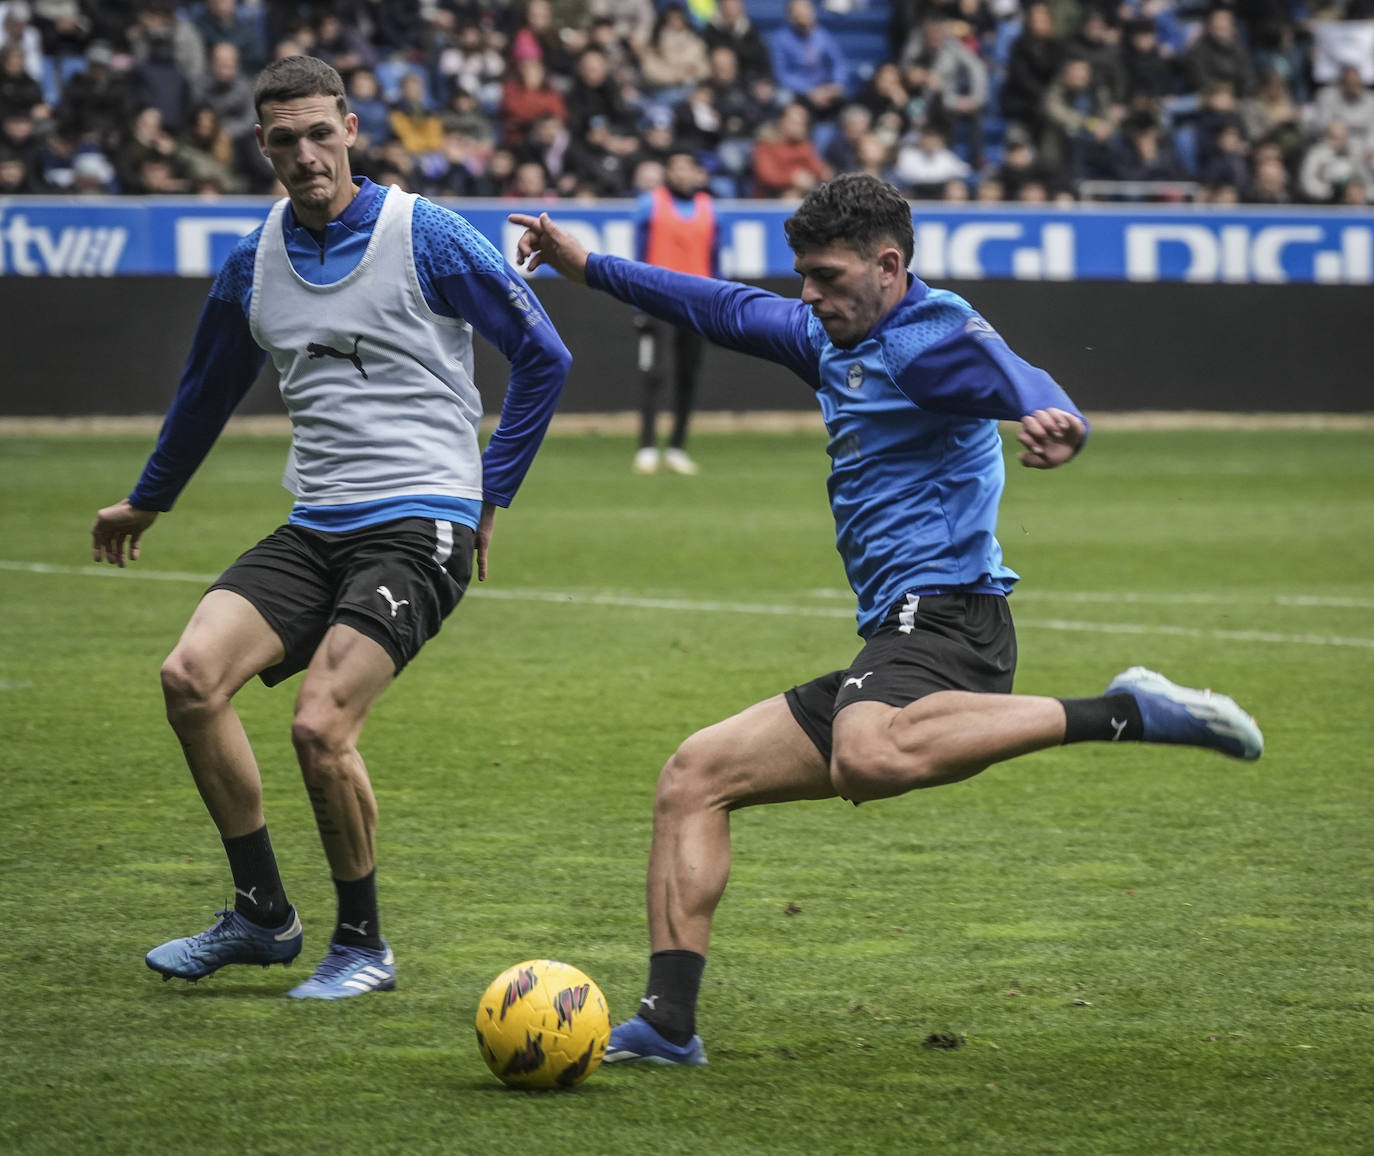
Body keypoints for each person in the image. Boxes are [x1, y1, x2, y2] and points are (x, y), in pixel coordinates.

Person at [507, 173, 1263, 1065]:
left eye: (826, 277)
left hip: (950, 618)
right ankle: (669, 1024)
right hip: (899, 634)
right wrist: (582, 263)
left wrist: (1056, 418)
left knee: (864, 755)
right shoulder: (825, 335)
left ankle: (1127, 712)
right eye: (804, 276)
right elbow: (714, 304)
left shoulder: (927, 340)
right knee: (693, 776)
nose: (808, 295)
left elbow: (1008, 369)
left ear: (889, 266)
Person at [90, 56, 571, 1000]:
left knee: (320, 723)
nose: (306, 154)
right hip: (316, 524)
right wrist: (150, 498)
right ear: (260, 145)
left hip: (421, 521)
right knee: (189, 679)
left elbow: (543, 356)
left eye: (321, 132)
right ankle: (263, 915)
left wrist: (489, 492)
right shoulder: (253, 259)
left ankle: (363, 947)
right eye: (284, 139)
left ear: (351, 128)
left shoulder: (424, 233)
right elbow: (206, 390)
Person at [631, 148, 719, 476]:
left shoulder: (710, 209)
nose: (682, 174)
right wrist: (638, 300)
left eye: (688, 167)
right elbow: (638, 256)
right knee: (655, 374)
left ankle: (678, 446)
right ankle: (647, 445)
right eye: (676, 167)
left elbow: (715, 262)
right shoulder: (649, 205)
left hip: (697, 304)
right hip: (658, 300)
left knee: (688, 375)